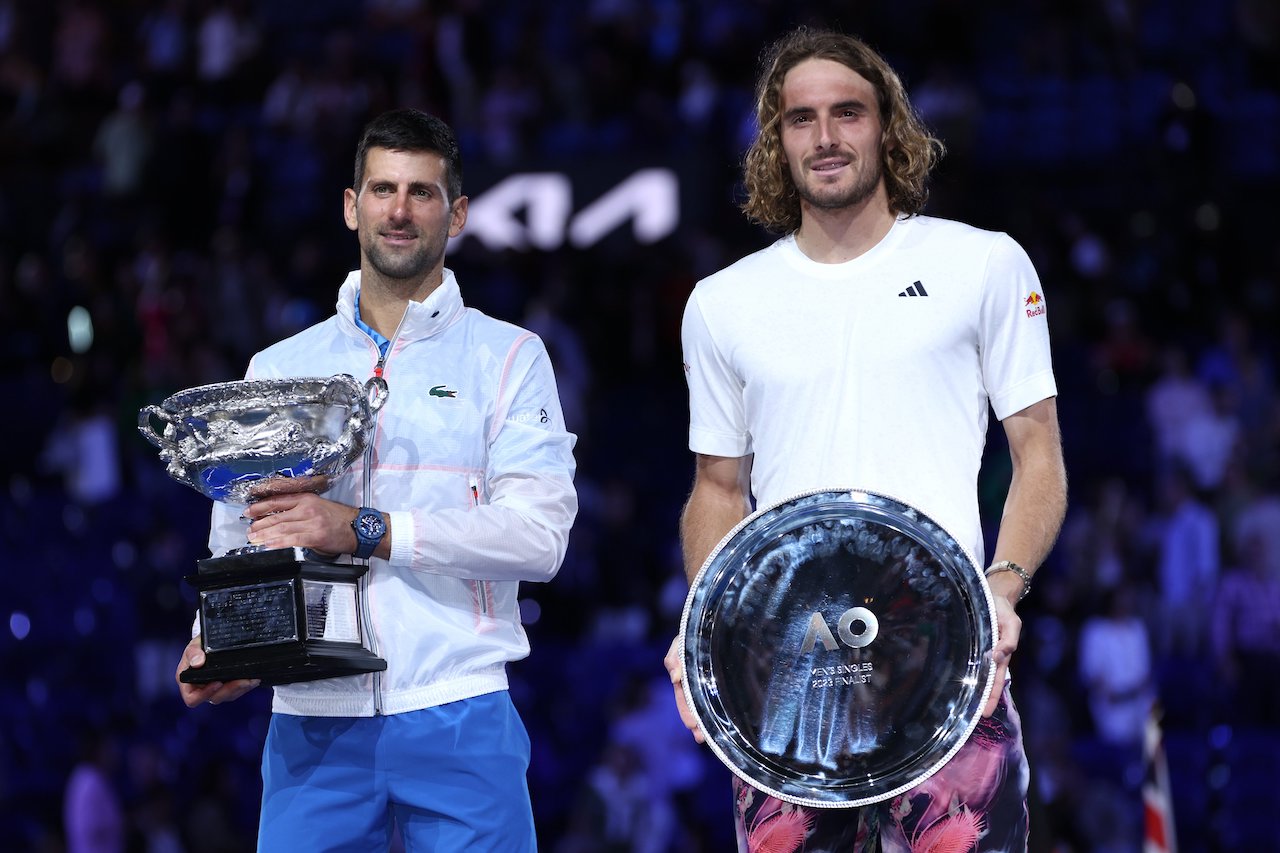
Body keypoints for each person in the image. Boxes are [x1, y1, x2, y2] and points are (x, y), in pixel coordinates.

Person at [664, 26, 1067, 851]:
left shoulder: (983, 264)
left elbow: (1039, 455)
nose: (826, 137)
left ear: (888, 126)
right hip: (786, 673)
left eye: (847, 112)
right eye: (801, 118)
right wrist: (703, 627)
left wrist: (1004, 587)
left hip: (949, 655)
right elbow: (716, 490)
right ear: (776, 141)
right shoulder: (722, 302)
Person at [174, 108, 578, 851]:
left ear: (455, 213)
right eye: (383, 188)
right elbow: (241, 530)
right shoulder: (278, 365)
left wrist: (366, 528)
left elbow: (541, 537)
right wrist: (216, 638)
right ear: (350, 206)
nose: (400, 210)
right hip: (312, 723)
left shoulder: (509, 358)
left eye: (422, 192)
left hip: (459, 708)